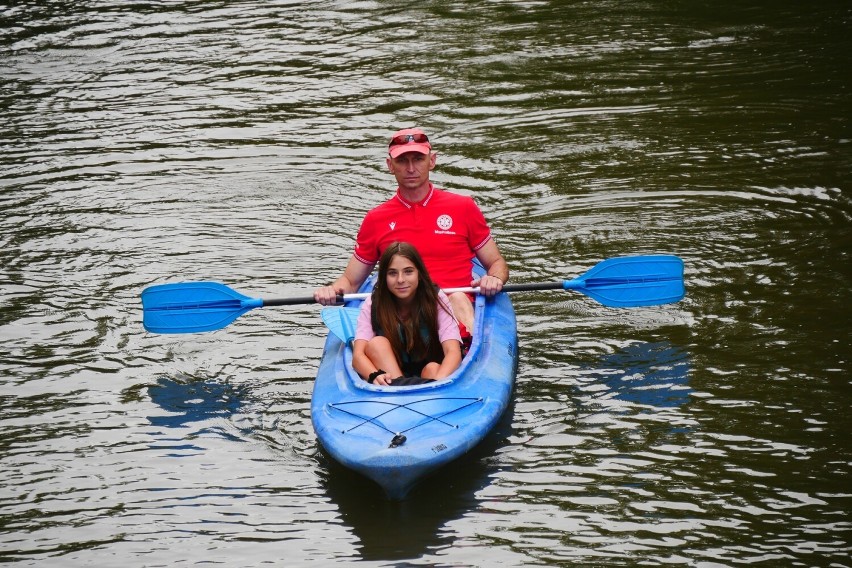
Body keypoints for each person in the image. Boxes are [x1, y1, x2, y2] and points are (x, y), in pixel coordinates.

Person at [314, 127, 509, 338]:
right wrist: (332, 290)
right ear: (390, 165)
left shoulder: (463, 207)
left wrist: (494, 278)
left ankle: (465, 349)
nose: (410, 168)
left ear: (432, 161)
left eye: (418, 159)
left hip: (455, 307)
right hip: (402, 313)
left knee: (458, 298)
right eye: (402, 161)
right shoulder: (375, 219)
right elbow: (351, 281)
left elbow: (496, 263)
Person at [352, 242, 462, 387]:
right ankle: (400, 389)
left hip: (430, 375)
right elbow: (358, 356)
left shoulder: (435, 299)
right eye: (392, 273)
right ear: (384, 277)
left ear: (419, 274)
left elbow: (453, 351)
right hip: (392, 374)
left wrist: (438, 383)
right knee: (376, 344)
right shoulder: (373, 303)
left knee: (432, 368)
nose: (400, 280)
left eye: (408, 271)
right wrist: (373, 375)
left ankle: (418, 391)